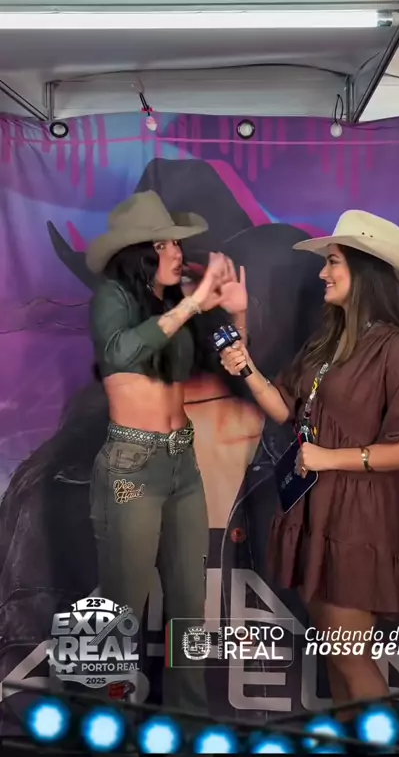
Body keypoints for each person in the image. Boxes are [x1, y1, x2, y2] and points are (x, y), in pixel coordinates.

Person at [219, 209, 399, 712]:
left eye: (333, 262)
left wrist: (330, 457)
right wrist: (247, 368)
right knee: (336, 657)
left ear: (364, 270)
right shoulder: (327, 341)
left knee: (350, 658)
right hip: (313, 507)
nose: (323, 272)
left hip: (358, 515)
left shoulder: (398, 348)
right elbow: (286, 408)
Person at [85, 189, 248, 712]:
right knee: (120, 605)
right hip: (132, 466)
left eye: (177, 244)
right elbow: (120, 352)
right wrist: (192, 304)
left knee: (190, 607)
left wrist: (235, 315)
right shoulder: (112, 297)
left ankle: (190, 716)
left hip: (183, 463)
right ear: (143, 253)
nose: (179, 252)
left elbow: (228, 365)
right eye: (167, 245)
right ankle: (107, 721)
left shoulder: (175, 306)